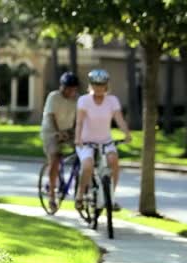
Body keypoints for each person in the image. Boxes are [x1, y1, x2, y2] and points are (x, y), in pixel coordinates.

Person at [74, 69, 132, 211]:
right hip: (86, 142)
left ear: (106, 85)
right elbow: (80, 122)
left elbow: (119, 119)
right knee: (88, 166)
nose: (98, 88)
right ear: (91, 85)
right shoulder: (84, 100)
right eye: (95, 85)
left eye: (101, 85)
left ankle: (110, 198)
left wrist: (127, 134)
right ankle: (80, 195)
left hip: (106, 142)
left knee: (114, 162)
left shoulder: (112, 101)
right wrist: (77, 138)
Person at [41, 72, 80, 211]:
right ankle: (52, 196)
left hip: (68, 132)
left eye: (74, 89)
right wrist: (58, 132)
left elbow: (79, 119)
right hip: (51, 132)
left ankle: (81, 192)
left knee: (84, 154)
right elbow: (51, 117)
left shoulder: (77, 100)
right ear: (62, 87)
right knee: (55, 159)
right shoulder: (54, 97)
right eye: (68, 88)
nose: (71, 92)